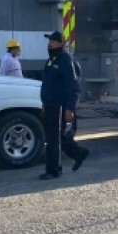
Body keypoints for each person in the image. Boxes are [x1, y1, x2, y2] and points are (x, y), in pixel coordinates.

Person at [39, 31, 89, 180]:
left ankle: (53, 170)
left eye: (53, 41)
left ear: (61, 43)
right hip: (49, 104)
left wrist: (70, 108)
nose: (49, 44)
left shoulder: (65, 60)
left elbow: (72, 85)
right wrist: (44, 103)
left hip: (59, 105)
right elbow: (48, 83)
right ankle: (79, 154)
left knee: (53, 139)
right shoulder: (52, 60)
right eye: (49, 41)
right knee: (58, 137)